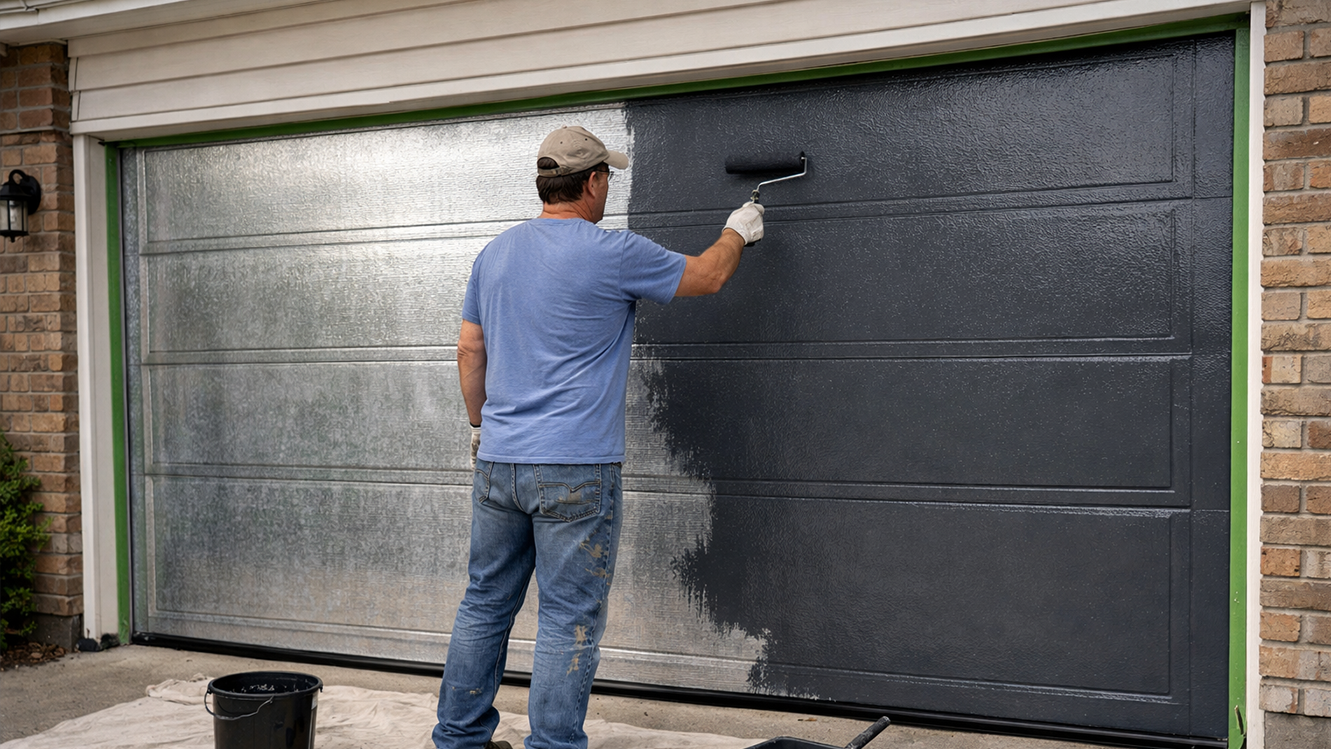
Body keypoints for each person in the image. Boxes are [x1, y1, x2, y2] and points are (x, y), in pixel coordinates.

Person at [433, 125, 764, 749]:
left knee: (484, 603)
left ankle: (458, 740)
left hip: (500, 463)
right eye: (607, 175)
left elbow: (468, 348)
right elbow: (709, 276)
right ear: (591, 182)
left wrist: (481, 424)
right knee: (567, 616)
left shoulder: (493, 254)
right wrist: (737, 229)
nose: (609, 185)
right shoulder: (612, 252)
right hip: (575, 471)